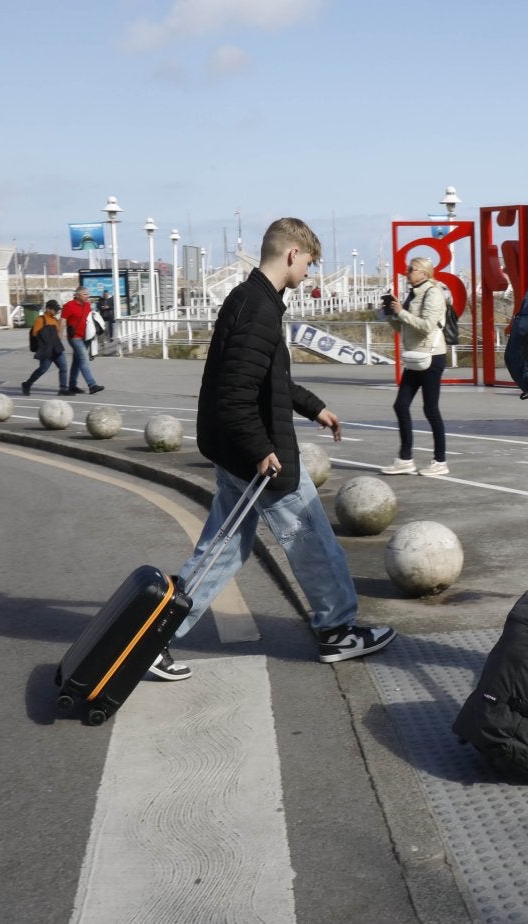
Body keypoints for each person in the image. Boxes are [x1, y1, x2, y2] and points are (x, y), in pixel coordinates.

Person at [154, 217, 393, 681]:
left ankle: (153, 637)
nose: (309, 273)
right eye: (308, 262)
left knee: (221, 551)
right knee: (314, 543)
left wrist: (313, 407)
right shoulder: (259, 312)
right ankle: (337, 629)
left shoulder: (251, 301)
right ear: (290, 255)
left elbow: (269, 380)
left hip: (237, 451)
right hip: (261, 457)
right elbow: (235, 395)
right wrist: (263, 450)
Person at [378, 257, 449, 477]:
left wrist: (401, 312)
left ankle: (440, 461)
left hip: (431, 356)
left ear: (424, 273)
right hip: (414, 356)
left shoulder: (433, 293)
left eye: (411, 270)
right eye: (407, 269)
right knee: (401, 405)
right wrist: (391, 314)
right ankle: (405, 458)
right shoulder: (412, 294)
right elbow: (405, 328)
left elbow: (427, 326)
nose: (407, 273)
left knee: (430, 409)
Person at [60, 286, 104, 395]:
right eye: (85, 294)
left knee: (77, 362)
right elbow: (62, 321)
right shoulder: (68, 306)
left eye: (88, 294)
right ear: (78, 295)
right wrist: (58, 336)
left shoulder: (88, 305)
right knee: (84, 359)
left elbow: (90, 319)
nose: (88, 296)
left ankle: (72, 385)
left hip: (86, 338)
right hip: (75, 338)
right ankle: (92, 385)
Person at [21, 300, 69, 396]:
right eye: (55, 309)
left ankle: (63, 389)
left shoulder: (55, 320)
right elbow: (35, 333)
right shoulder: (41, 319)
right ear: (48, 309)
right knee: (43, 369)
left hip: (57, 348)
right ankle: (27, 384)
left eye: (57, 310)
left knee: (63, 367)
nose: (57, 311)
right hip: (47, 350)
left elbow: (58, 334)